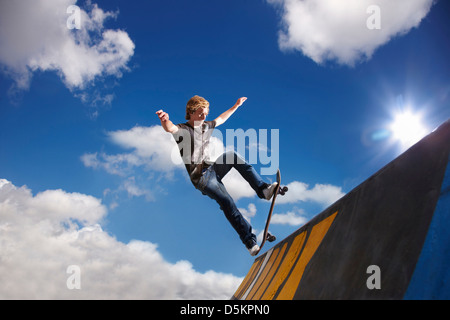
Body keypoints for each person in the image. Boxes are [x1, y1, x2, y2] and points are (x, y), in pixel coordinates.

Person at [156, 95, 277, 256]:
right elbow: (170, 128)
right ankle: (249, 241)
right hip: (202, 179)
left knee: (232, 156)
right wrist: (165, 121)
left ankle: (263, 190)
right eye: (200, 113)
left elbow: (221, 119)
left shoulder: (206, 125)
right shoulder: (182, 130)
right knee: (227, 202)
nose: (204, 117)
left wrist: (236, 106)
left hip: (212, 169)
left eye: (206, 114)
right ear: (191, 112)